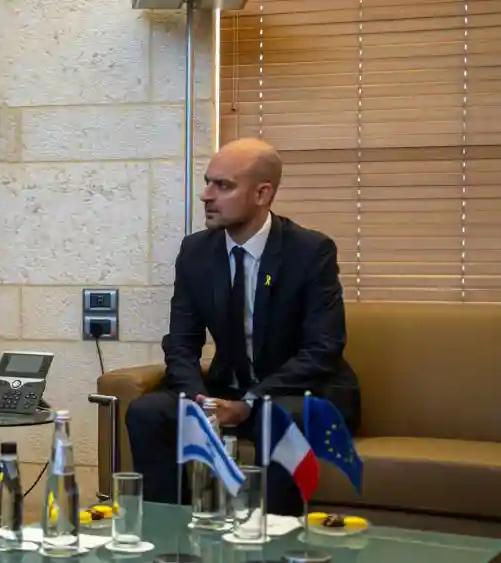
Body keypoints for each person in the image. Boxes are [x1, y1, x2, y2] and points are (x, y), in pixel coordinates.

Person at [126, 137, 360, 515]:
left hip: (298, 394)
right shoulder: (196, 252)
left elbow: (323, 349)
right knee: (148, 412)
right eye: (208, 182)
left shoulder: (310, 251)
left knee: (274, 416)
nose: (206, 195)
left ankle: (273, 538)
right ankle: (167, 533)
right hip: (228, 389)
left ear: (262, 194)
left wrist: (250, 403)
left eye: (223, 185)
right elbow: (181, 342)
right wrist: (199, 402)